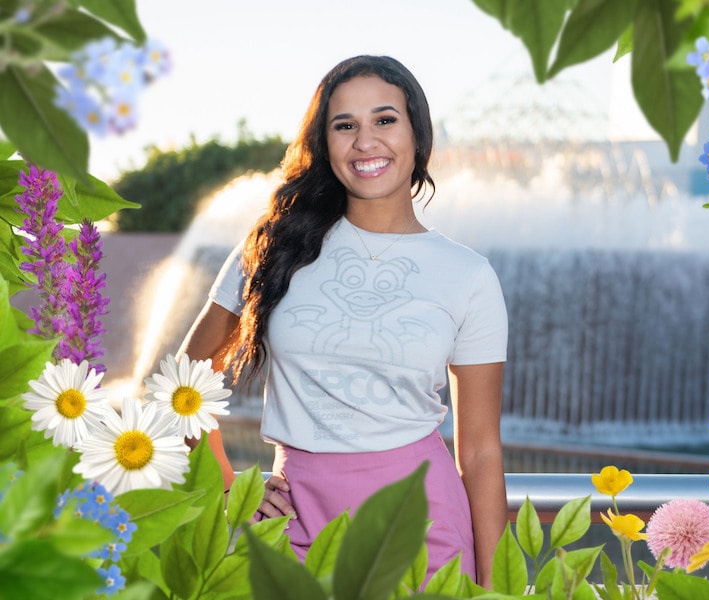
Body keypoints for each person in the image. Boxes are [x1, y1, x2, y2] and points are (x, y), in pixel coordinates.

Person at [176, 55, 508, 586]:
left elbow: (481, 450)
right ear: (324, 143)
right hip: (295, 519)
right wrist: (226, 484)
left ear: (418, 135)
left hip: (422, 524)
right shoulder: (271, 249)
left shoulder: (469, 275)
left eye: (385, 120)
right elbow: (184, 379)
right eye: (344, 125)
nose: (365, 141)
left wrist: (498, 588)